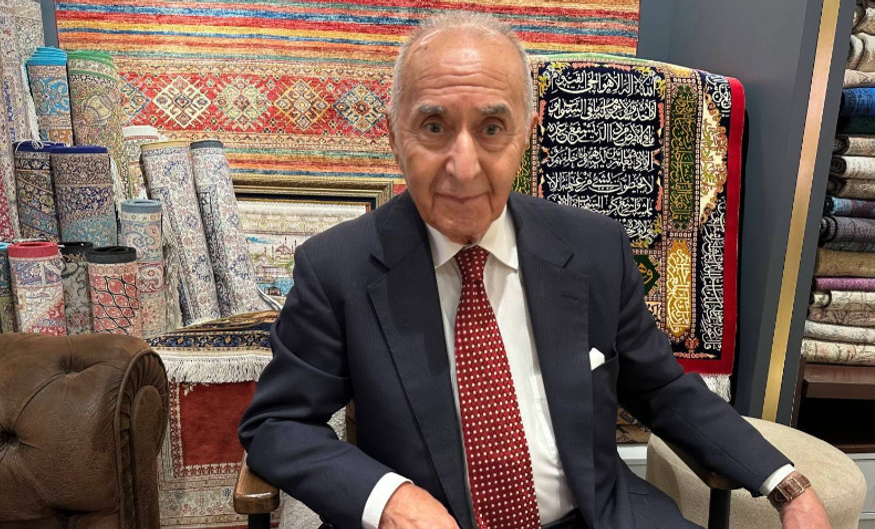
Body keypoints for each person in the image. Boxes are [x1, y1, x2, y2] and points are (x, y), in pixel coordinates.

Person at [239, 11, 833, 529]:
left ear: (525, 135)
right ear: (395, 136)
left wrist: (786, 484)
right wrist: (388, 498)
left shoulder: (592, 247)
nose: (464, 166)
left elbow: (662, 388)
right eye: (434, 127)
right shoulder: (337, 268)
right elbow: (277, 425)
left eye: (491, 129)